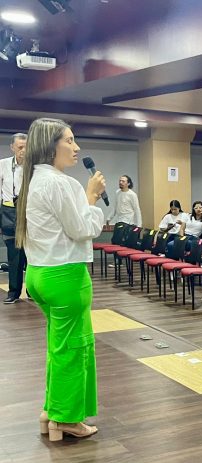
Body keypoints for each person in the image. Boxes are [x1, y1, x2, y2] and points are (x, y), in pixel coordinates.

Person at [17, 118, 106, 440]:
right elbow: (82, 228)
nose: (76, 147)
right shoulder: (60, 183)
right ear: (50, 145)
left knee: (59, 347)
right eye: (69, 141)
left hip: (40, 273)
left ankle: (51, 410)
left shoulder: (33, 180)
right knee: (73, 348)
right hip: (66, 274)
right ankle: (66, 419)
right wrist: (91, 197)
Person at [0, 132, 27, 304]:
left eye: (26, 147)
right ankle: (13, 292)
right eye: (20, 147)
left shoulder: (34, 167)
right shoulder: (3, 165)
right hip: (8, 212)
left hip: (29, 212)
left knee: (32, 253)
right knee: (14, 255)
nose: (23, 150)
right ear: (12, 147)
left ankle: (33, 290)